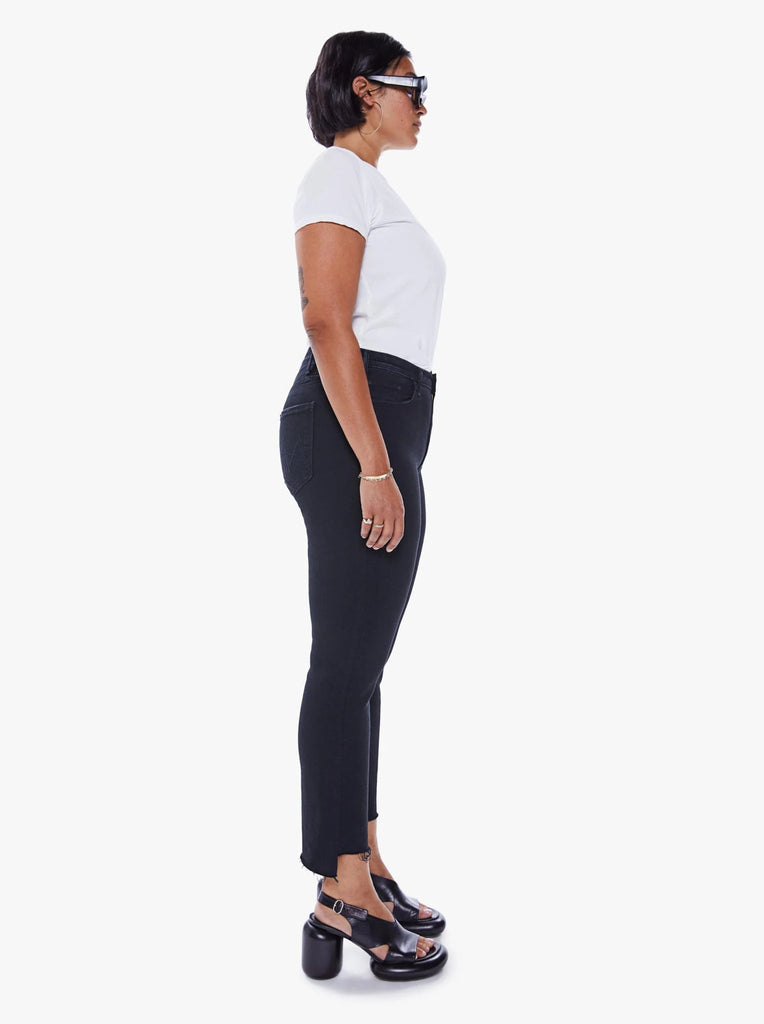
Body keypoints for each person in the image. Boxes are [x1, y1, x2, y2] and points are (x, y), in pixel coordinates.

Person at [279, 30, 449, 982]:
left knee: (362, 662)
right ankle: (340, 890)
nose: (422, 100)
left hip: (381, 423)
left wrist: (387, 452)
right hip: (355, 430)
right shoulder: (337, 177)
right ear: (362, 89)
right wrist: (375, 464)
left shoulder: (371, 188)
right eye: (409, 84)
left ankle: (366, 862)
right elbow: (324, 318)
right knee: (343, 665)